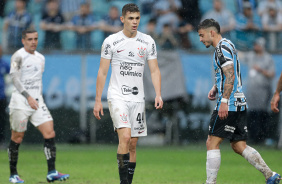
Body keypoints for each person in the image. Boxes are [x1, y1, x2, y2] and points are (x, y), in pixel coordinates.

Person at [197, 18, 281, 184]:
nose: (200, 39)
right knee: (238, 145)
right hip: (240, 102)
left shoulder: (221, 49)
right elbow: (229, 72)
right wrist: (216, 86)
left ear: (211, 32)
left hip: (230, 104)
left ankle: (210, 182)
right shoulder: (229, 43)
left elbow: (230, 74)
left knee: (211, 142)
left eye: (201, 35)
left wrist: (224, 100)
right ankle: (270, 175)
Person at [93, 3, 163, 184]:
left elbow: (154, 70)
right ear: (122, 19)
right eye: (130, 18)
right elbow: (102, 72)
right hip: (117, 96)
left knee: (133, 144)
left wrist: (158, 93)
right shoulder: (111, 41)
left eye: (137, 18)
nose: (134, 22)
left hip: (138, 98)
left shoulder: (147, 41)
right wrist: (97, 100)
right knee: (124, 137)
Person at [7, 29, 69, 183]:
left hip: (37, 102)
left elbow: (36, 80)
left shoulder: (41, 58)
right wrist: (28, 97)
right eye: (29, 39)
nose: (33, 42)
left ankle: (52, 172)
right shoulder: (18, 56)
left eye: (35, 39)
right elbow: (15, 78)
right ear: (23, 41)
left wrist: (36, 98)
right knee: (17, 137)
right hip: (21, 102)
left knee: (50, 132)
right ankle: (13, 174)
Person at [240, 37, 275, 144]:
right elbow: (241, 55)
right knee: (252, 114)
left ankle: (262, 137)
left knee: (262, 114)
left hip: (263, 90)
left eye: (257, 45)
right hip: (251, 91)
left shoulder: (268, 58)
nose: (255, 47)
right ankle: (253, 137)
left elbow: (271, 74)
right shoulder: (251, 56)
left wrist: (260, 70)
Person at [0, 46, 10, 146]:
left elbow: (12, 75)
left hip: (2, 96)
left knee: (2, 119)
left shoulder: (4, 63)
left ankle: (1, 140)